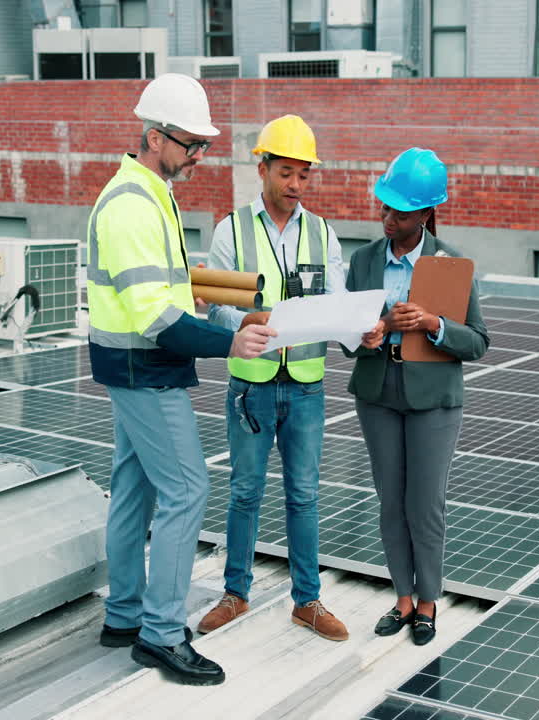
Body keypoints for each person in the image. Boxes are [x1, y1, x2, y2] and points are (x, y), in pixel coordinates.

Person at [87, 73, 276, 686]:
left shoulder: (148, 192)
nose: (198, 157)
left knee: (135, 489)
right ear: (153, 136)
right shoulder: (132, 205)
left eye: (203, 146)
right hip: (146, 369)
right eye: (189, 145)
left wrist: (213, 287)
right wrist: (230, 340)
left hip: (133, 367)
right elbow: (158, 318)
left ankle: (123, 616)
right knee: (187, 491)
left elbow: (161, 286)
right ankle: (162, 635)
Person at [197, 115, 350, 641]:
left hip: (306, 385)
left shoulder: (323, 233)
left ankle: (306, 602)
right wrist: (247, 320)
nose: (296, 185)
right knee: (244, 492)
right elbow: (214, 309)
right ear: (262, 168)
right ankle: (235, 594)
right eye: (286, 172)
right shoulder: (231, 231)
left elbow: (336, 302)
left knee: (304, 495)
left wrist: (355, 325)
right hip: (251, 388)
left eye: (304, 176)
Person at [344, 148, 489, 646]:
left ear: (425, 214)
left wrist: (433, 324)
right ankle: (402, 599)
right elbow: (344, 335)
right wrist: (362, 335)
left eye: (399, 212)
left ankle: (428, 602)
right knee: (390, 502)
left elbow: (478, 342)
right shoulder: (363, 260)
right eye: (383, 208)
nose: (387, 218)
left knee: (424, 503)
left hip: (433, 400)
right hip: (378, 392)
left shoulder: (451, 266)